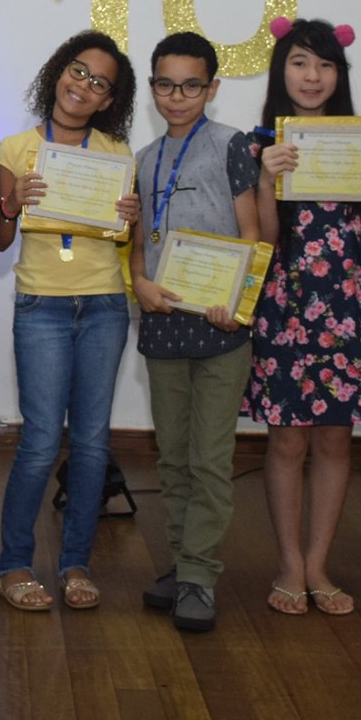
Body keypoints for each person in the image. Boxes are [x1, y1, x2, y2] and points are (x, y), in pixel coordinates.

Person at [247, 18, 361, 617]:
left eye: (326, 64)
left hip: (349, 305)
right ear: (280, 70)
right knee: (287, 440)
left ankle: (318, 565)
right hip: (286, 305)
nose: (313, 76)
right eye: (300, 62)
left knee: (336, 438)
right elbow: (266, 239)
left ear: (340, 74)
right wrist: (267, 178)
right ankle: (289, 563)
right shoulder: (261, 143)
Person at [0, 31, 141, 612]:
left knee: (93, 441)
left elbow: (123, 240)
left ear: (109, 101)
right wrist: (12, 203)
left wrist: (129, 219)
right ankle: (13, 563)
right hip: (42, 305)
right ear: (58, 72)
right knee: (38, 440)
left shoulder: (118, 153)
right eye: (78, 71)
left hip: (104, 304)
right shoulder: (15, 149)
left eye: (99, 83)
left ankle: (76, 562)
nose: (83, 85)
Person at [128, 31, 261, 632]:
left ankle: (201, 577)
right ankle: (184, 566)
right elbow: (139, 247)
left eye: (190, 86)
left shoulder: (231, 146)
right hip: (164, 325)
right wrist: (140, 283)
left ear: (211, 88)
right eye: (165, 84)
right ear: (152, 86)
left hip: (220, 329)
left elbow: (253, 237)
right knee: (174, 459)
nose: (176, 97)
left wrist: (235, 302)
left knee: (209, 459)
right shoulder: (144, 159)